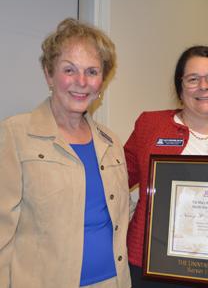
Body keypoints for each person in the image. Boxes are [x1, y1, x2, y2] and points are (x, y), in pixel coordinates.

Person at [0, 18, 131, 288]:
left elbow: (117, 216)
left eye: (92, 72)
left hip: (113, 282)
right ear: (49, 74)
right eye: (69, 70)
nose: (81, 82)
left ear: (102, 81)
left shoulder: (111, 142)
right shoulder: (14, 134)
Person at [124, 45, 208, 287]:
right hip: (149, 268)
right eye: (192, 79)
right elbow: (115, 180)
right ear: (180, 88)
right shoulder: (149, 125)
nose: (204, 86)